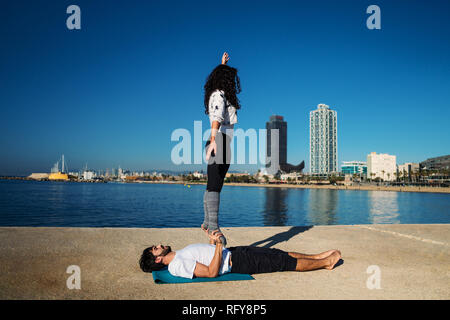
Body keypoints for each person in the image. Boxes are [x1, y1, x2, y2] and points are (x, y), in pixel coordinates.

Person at [139, 231, 342, 279]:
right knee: (282, 262)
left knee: (279, 252)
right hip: (237, 262)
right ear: (157, 259)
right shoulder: (176, 266)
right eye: (155, 248)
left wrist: (212, 241)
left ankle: (316, 257)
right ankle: (325, 263)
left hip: (233, 252)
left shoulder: (178, 254)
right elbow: (211, 272)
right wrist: (219, 246)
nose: (158, 245)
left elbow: (205, 256)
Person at [202, 52, 241, 247]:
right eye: (230, 79)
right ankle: (213, 227)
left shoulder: (219, 93)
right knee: (215, 185)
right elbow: (216, 117)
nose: (233, 83)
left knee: (214, 183)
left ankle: (208, 223)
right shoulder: (219, 94)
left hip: (222, 141)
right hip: (219, 140)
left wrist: (222, 64)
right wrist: (215, 140)